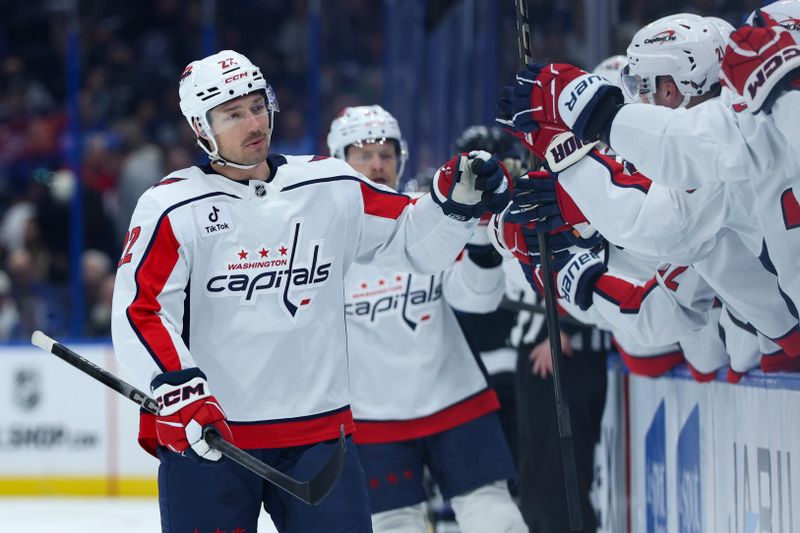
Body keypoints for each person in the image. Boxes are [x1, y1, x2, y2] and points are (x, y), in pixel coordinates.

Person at [110, 51, 510, 533]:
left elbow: (410, 236)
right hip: (210, 438)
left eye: (258, 106)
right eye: (233, 114)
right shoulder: (172, 206)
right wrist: (179, 388)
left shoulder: (329, 183)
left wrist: (454, 203)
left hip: (319, 439)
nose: (253, 123)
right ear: (201, 127)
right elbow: (141, 309)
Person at [496, 14, 800, 379]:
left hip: (770, 352)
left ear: (671, 88)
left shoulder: (729, 145)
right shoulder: (743, 132)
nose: (638, 100)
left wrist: (573, 149)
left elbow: (661, 229)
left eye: (642, 86)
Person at [327, 105, 526, 533]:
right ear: (338, 159)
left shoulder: (431, 214)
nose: (377, 164)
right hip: (373, 418)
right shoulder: (321, 236)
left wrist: (481, 239)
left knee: (497, 519)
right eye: (363, 153)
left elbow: (477, 300)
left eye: (386, 152)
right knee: (394, 527)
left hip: (456, 402)